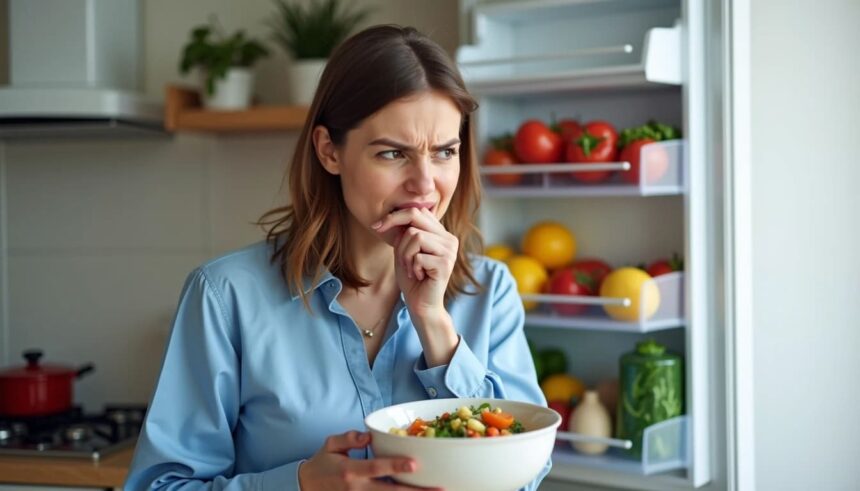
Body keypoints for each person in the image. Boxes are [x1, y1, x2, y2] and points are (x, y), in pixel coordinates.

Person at [124, 25, 547, 491]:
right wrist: (300, 485)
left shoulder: (490, 292)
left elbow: (522, 479)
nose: (425, 185)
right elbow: (157, 486)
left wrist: (434, 324)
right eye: (392, 153)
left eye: (445, 152)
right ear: (330, 151)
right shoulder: (225, 297)